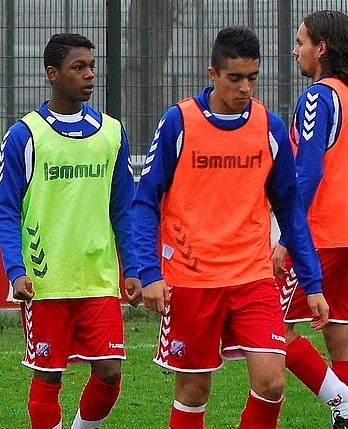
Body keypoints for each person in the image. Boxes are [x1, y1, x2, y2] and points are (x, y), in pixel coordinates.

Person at [133, 26, 329, 429]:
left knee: (272, 382)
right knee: (193, 392)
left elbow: (290, 209)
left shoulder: (269, 126)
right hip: (191, 278)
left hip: (251, 276)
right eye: (235, 78)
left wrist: (312, 283)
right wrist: (148, 272)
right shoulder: (179, 122)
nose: (245, 87)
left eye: (252, 78)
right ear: (213, 73)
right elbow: (144, 201)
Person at [0, 33, 142, 429]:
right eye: (78, 68)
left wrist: (132, 268)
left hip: (98, 278)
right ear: (53, 74)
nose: (89, 74)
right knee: (49, 376)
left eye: (92, 66)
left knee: (110, 372)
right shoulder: (25, 135)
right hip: (46, 281)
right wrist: (16, 269)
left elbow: (123, 210)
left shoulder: (111, 132)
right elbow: (6, 211)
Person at [272, 10, 348, 428]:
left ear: (321, 48)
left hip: (321, 235)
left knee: (268, 326)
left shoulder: (318, 97)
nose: (295, 50)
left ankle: (347, 404)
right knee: (342, 330)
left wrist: (289, 235)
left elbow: (308, 171)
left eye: (301, 42)